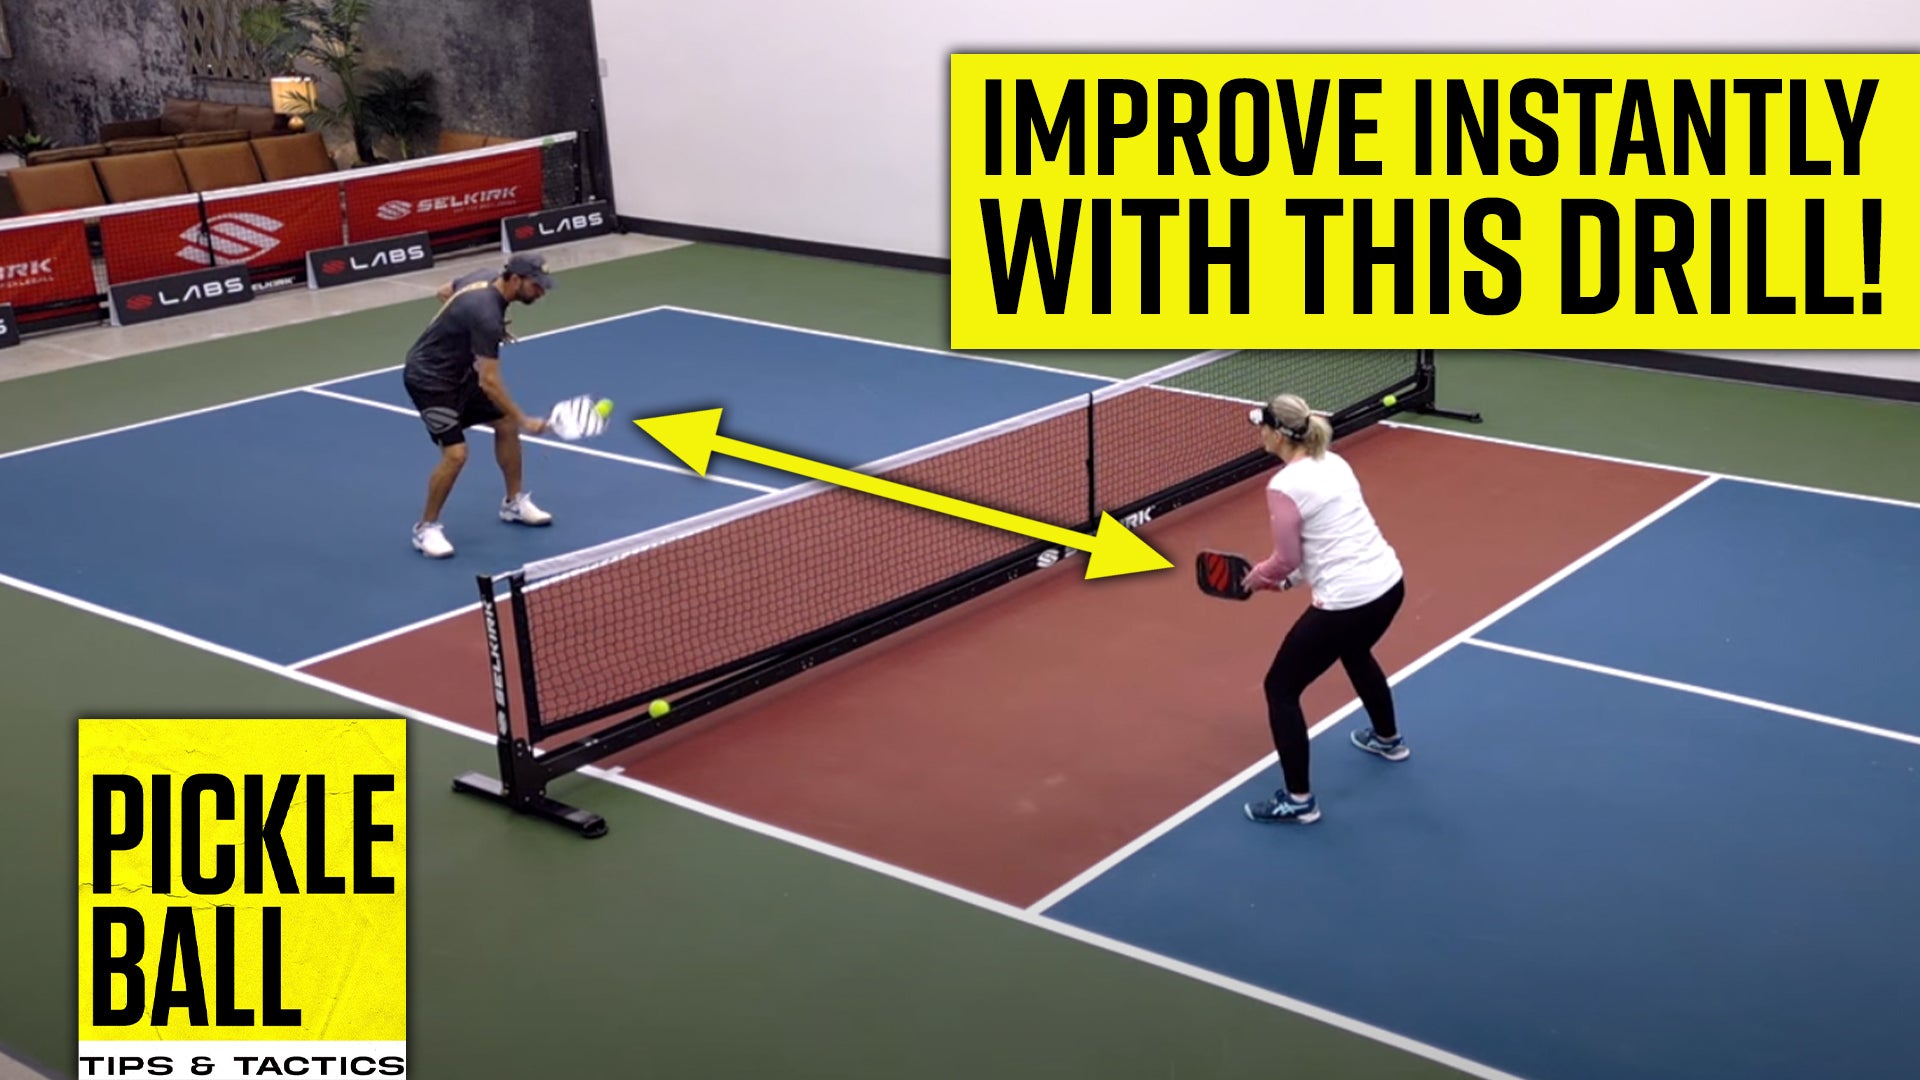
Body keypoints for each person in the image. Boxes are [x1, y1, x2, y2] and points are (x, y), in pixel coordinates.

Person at [1238, 393, 1408, 825]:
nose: (1259, 432)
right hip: (1388, 585)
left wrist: (1259, 578)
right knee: (1354, 651)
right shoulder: (1334, 462)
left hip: (1348, 601)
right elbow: (1324, 543)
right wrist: (1287, 581)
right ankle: (1388, 740)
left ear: (1278, 435)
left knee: (1280, 688)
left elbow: (1286, 560)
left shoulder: (1283, 486)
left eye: (1262, 426)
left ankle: (1299, 801)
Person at [402, 253, 557, 558]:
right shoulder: (486, 315)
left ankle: (513, 503)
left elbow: (444, 291)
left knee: (504, 425)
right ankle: (426, 529)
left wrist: (467, 328)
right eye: (537, 285)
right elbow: (489, 382)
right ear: (515, 280)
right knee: (456, 454)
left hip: (459, 372)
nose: (542, 292)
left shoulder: (486, 277)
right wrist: (525, 419)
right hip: (430, 379)